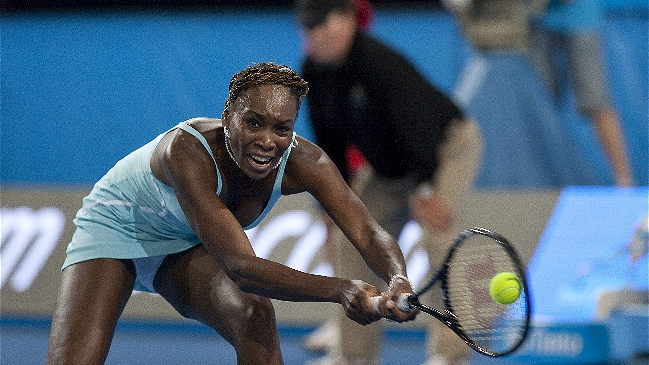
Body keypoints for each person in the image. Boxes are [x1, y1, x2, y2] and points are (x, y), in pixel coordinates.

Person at [45, 62, 418, 365]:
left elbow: (368, 232)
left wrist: (398, 277)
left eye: (282, 128)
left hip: (185, 244)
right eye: (253, 122)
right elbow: (241, 268)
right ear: (228, 115)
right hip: (117, 227)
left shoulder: (308, 162)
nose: (267, 141)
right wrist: (340, 289)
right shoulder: (186, 151)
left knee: (254, 314)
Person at [295, 1, 484, 364]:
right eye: (309, 27)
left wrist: (425, 190)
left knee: (438, 238)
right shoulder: (314, 72)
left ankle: (449, 355)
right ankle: (354, 356)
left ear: (347, 21)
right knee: (352, 241)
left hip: (446, 149)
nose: (315, 35)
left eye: (323, 24)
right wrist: (332, 204)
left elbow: (418, 130)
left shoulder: (380, 62)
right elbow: (330, 146)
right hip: (388, 170)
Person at [528, 0, 634, 186]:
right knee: (541, 107)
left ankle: (625, 183)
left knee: (597, 102)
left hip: (582, 19)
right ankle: (543, 181)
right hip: (537, 21)